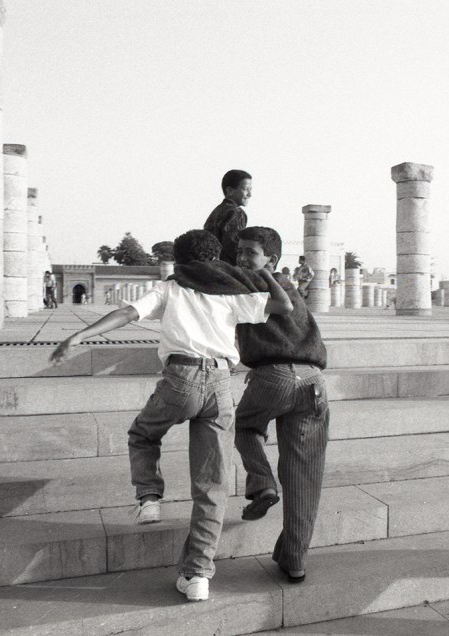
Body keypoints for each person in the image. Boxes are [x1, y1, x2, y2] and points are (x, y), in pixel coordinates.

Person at [50, 229, 293, 603]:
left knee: (143, 434)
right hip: (220, 385)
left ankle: (149, 497)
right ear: (215, 259)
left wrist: (80, 336)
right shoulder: (230, 292)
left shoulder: (171, 287)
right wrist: (263, 273)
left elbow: (127, 313)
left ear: (179, 261)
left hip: (180, 379)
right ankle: (197, 575)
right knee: (211, 485)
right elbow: (284, 306)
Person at [232, 226, 329, 584]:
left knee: (245, 427)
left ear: (270, 259)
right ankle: (295, 560)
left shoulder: (246, 284)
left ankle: (262, 484)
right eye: (240, 251)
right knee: (304, 476)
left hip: (273, 377)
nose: (242, 258)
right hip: (313, 382)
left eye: (250, 252)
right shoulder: (286, 284)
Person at [203, 169, 252, 265]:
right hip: (226, 268)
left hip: (211, 265)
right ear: (230, 191)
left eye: (250, 190)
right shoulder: (236, 212)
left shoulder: (217, 211)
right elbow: (234, 247)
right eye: (246, 189)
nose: (250, 194)